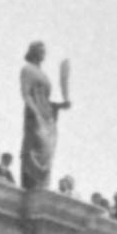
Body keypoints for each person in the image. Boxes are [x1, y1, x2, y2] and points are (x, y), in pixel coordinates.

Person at [18, 42, 69, 189]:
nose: (43, 54)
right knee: (35, 146)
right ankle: (31, 184)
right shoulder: (27, 69)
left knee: (47, 151)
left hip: (47, 116)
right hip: (35, 115)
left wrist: (59, 106)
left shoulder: (44, 75)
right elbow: (26, 93)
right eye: (40, 51)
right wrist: (35, 112)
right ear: (33, 52)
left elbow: (45, 100)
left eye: (44, 51)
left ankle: (42, 185)